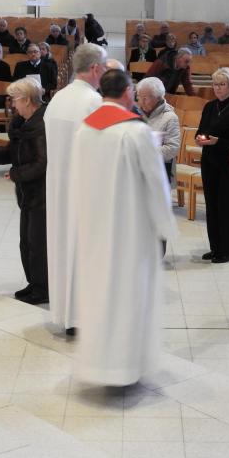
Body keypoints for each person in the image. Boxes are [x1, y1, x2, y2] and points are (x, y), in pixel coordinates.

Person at [70, 68, 176, 386]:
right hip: (129, 230)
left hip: (94, 227)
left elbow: (76, 177)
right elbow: (156, 182)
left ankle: (96, 363)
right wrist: (165, 226)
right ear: (128, 92)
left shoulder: (86, 128)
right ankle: (124, 367)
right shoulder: (135, 130)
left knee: (99, 292)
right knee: (127, 293)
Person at [45, 43, 106, 335]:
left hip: (58, 188)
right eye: (103, 68)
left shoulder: (57, 99)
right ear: (94, 68)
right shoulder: (93, 103)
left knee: (62, 249)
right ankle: (82, 317)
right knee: (83, 252)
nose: (104, 73)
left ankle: (64, 313)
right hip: (85, 191)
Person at [0, 78, 48, 304]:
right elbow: (13, 151)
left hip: (42, 193)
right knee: (26, 242)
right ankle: (33, 283)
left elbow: (42, 163)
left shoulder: (42, 125)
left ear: (27, 100)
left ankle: (43, 288)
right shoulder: (21, 122)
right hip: (27, 193)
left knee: (38, 244)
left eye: (14, 99)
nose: (12, 104)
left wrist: (16, 174)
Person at [196, 68, 229, 263]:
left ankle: (228, 250)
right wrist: (199, 139)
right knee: (211, 206)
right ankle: (215, 248)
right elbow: (201, 130)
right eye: (215, 84)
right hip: (210, 162)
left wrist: (219, 142)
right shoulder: (209, 107)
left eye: (222, 84)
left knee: (226, 207)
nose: (218, 88)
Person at [136, 76, 181, 184]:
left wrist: (146, 153)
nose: (141, 102)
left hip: (160, 173)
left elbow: (172, 148)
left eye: (145, 98)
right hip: (137, 171)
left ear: (158, 97)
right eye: (139, 97)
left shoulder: (170, 117)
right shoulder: (136, 114)